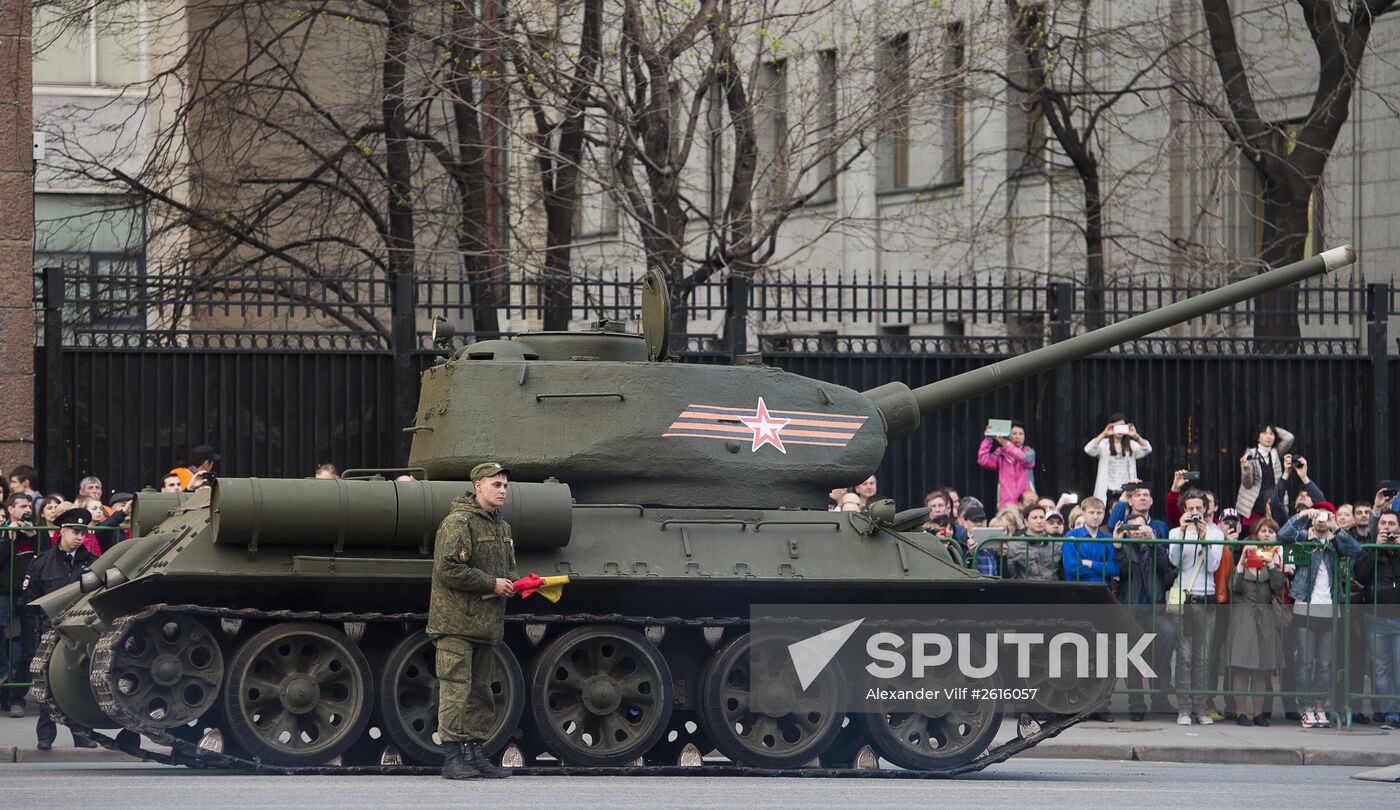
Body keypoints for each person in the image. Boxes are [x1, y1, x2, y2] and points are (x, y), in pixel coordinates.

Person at [428, 462, 517, 780]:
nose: (503, 490)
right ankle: (452, 758)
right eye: (496, 484)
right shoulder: (458, 522)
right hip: (456, 623)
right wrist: (492, 584)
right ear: (478, 486)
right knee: (456, 690)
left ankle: (475, 755)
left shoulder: (500, 527)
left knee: (481, 692)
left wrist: (517, 583)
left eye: (505, 485)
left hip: (486, 624)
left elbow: (506, 568)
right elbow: (448, 569)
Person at [21, 506, 100, 749]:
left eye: (83, 532)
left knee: (80, 682)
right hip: (50, 631)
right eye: (75, 531)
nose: (79, 537)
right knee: (47, 683)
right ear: (62, 531)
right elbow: (28, 602)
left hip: (81, 631)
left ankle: (82, 733)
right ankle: (46, 735)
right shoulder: (43, 563)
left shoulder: (93, 563)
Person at [1279, 501, 1362, 728]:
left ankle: (1319, 706)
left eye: (1325, 515)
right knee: (1305, 662)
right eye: (1318, 515)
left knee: (1325, 663)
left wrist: (1336, 528)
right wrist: (1303, 515)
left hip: (1329, 609)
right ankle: (1306, 706)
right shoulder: (1304, 537)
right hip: (1305, 607)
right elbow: (1282, 534)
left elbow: (1357, 550)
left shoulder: (1336, 542)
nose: (1321, 520)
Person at [1112, 513, 1177, 720]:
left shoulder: (1153, 547)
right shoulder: (1123, 548)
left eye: (1140, 527)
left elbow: (1167, 569)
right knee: (1133, 657)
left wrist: (1154, 542)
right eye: (1132, 529)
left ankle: (1160, 697)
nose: (1137, 532)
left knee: (1168, 632)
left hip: (1153, 611)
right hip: (1130, 612)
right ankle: (1136, 705)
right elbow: (1120, 570)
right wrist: (1118, 545)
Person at [1168, 490, 1224, 725]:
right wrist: (1183, 532)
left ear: (1206, 509)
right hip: (1185, 600)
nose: (1194, 513)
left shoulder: (1215, 533)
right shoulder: (1175, 532)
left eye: (1198, 509)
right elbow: (1176, 561)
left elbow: (1212, 566)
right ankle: (1183, 709)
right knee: (1185, 657)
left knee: (1202, 658)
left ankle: (1200, 709)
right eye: (1190, 509)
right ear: (1184, 510)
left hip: (1206, 599)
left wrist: (1204, 539)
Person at [1228, 519, 1285, 726]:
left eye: (1271, 531)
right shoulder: (1242, 560)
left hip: (1264, 616)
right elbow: (1234, 588)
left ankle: (1259, 713)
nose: (1266, 534)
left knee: (1262, 669)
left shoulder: (1269, 562)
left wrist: (1270, 563)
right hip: (1244, 617)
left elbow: (1278, 586)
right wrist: (1242, 562)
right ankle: (1242, 713)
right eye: (1263, 530)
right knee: (1242, 668)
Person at [1354, 510, 1400, 728]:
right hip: (1377, 617)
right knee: (1382, 669)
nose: (1388, 527)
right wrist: (1378, 549)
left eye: (1392, 524)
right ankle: (1391, 713)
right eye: (1384, 523)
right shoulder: (1369, 548)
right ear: (1377, 527)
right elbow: (1360, 574)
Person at [1084, 414, 1153, 503]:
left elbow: (1147, 449)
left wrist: (1135, 435)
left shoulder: (1131, 445)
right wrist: (1105, 433)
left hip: (1126, 490)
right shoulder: (1104, 444)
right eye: (1117, 426)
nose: (1119, 429)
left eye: (1122, 426)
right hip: (1107, 491)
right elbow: (1088, 449)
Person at [1235, 424, 1295, 521]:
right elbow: (1247, 484)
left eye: (1271, 434)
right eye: (1264, 433)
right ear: (1258, 437)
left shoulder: (1276, 452)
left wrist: (1273, 428)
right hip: (1254, 503)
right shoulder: (1250, 454)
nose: (1268, 436)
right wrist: (1246, 469)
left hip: (1273, 502)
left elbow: (1289, 438)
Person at [977, 421, 1036, 509]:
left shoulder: (1029, 452)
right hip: (1006, 504)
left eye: (1021, 434)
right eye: (1014, 433)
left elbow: (1024, 458)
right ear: (1009, 435)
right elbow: (983, 460)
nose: (1017, 437)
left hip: (1026, 503)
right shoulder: (1001, 453)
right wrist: (988, 439)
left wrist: (1005, 444)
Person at [1062, 497, 1117, 584]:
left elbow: (1114, 569)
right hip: (1077, 590)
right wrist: (1102, 573)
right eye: (1091, 513)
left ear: (1103, 515)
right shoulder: (1071, 536)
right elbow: (1072, 569)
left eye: (1099, 513)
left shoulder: (1108, 538)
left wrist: (1090, 563)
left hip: (1102, 591)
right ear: (1083, 514)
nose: (1095, 516)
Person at [1004, 504, 1062, 581]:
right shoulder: (1014, 544)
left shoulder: (1057, 543)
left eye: (1042, 517)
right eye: (1034, 518)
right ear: (1026, 522)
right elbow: (1011, 572)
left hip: (1052, 588)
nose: (1039, 521)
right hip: (1025, 589)